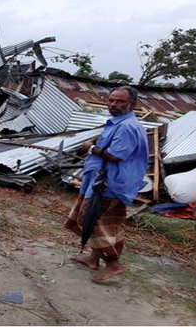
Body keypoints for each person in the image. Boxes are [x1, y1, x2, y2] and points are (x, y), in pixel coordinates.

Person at [65, 87, 148, 281]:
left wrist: (91, 148)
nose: (113, 105)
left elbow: (116, 156)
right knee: (109, 223)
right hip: (106, 180)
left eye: (119, 101)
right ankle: (94, 258)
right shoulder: (121, 123)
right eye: (111, 100)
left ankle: (113, 264)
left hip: (110, 183)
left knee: (90, 219)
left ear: (132, 104)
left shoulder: (127, 127)